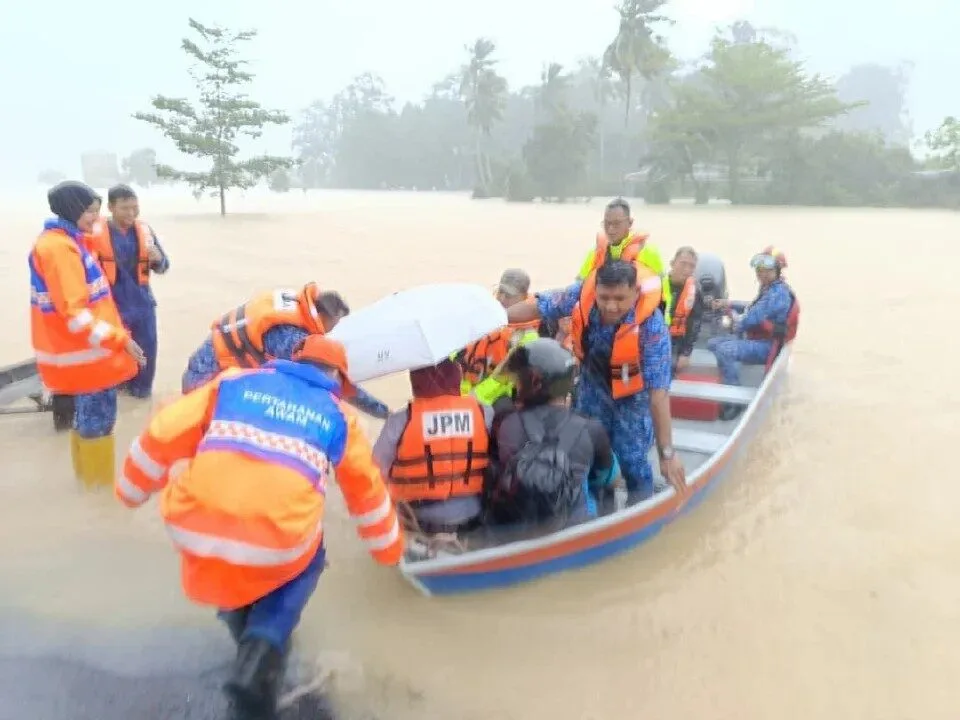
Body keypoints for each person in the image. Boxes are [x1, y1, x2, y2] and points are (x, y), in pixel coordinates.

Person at [115, 335, 403, 717]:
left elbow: (164, 430)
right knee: (307, 559)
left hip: (194, 522)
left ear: (292, 360)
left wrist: (130, 491)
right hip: (275, 541)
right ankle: (260, 651)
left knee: (232, 562)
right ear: (337, 378)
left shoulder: (233, 382)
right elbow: (365, 490)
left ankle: (244, 636)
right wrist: (388, 550)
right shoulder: (339, 417)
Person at [507, 261, 686, 499]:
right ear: (596, 291)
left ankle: (639, 502)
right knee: (585, 452)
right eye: (604, 297)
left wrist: (667, 454)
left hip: (632, 400)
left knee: (632, 462)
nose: (611, 306)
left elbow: (658, 396)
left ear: (635, 293)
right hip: (592, 390)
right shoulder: (583, 294)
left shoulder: (652, 329)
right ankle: (594, 507)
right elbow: (539, 307)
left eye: (620, 298)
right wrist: (498, 316)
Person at [30, 181, 145, 487]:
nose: (96, 218)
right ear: (72, 210)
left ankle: (86, 490)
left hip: (80, 354)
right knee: (98, 424)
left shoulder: (65, 241)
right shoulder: (60, 249)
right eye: (90, 212)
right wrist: (121, 340)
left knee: (85, 422)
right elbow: (75, 313)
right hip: (87, 357)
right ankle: (98, 493)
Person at [181, 283, 390, 418]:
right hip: (204, 383)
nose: (333, 330)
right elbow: (337, 385)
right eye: (335, 324)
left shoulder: (291, 304)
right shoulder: (292, 339)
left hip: (203, 364)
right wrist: (382, 412)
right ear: (324, 317)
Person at [491, 339, 624, 526]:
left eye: (518, 381)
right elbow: (612, 480)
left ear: (534, 382)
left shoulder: (507, 425)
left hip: (522, 527)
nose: (515, 387)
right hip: (578, 527)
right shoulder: (591, 429)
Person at [373, 359, 492, 534]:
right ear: (457, 378)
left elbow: (376, 469)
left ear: (416, 382)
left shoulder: (400, 420)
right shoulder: (484, 412)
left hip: (418, 516)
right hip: (472, 512)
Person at [86, 184, 170, 399]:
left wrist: (159, 260)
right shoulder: (92, 233)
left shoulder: (145, 231)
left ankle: (141, 396)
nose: (131, 213)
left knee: (147, 352)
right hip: (110, 306)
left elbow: (164, 266)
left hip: (142, 304)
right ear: (111, 208)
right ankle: (117, 394)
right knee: (111, 355)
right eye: (125, 208)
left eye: (135, 208)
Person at [708, 246, 799, 420]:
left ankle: (734, 401)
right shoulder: (769, 289)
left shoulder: (778, 294)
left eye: (767, 270)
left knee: (725, 350)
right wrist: (728, 304)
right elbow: (752, 308)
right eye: (759, 269)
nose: (761, 273)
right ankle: (729, 376)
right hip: (758, 338)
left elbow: (750, 319)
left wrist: (734, 321)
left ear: (778, 270)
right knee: (713, 343)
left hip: (768, 346)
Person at [575, 197, 671, 324]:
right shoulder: (595, 253)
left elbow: (662, 294)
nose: (610, 229)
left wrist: (664, 324)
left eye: (616, 224)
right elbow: (579, 288)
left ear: (630, 223)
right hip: (601, 320)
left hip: (637, 322)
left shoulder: (648, 252)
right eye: (607, 223)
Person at [458, 268, 541, 406]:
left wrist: (472, 398)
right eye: (500, 292)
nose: (501, 299)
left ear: (524, 297)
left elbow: (504, 380)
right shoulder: (482, 319)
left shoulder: (528, 337)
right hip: (466, 392)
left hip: (497, 401)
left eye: (508, 296)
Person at [666, 246, 705, 374]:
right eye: (683, 264)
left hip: (676, 340)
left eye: (691, 266)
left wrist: (686, 353)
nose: (687, 270)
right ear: (672, 263)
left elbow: (694, 323)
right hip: (654, 337)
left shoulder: (695, 291)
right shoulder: (657, 285)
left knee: (671, 366)